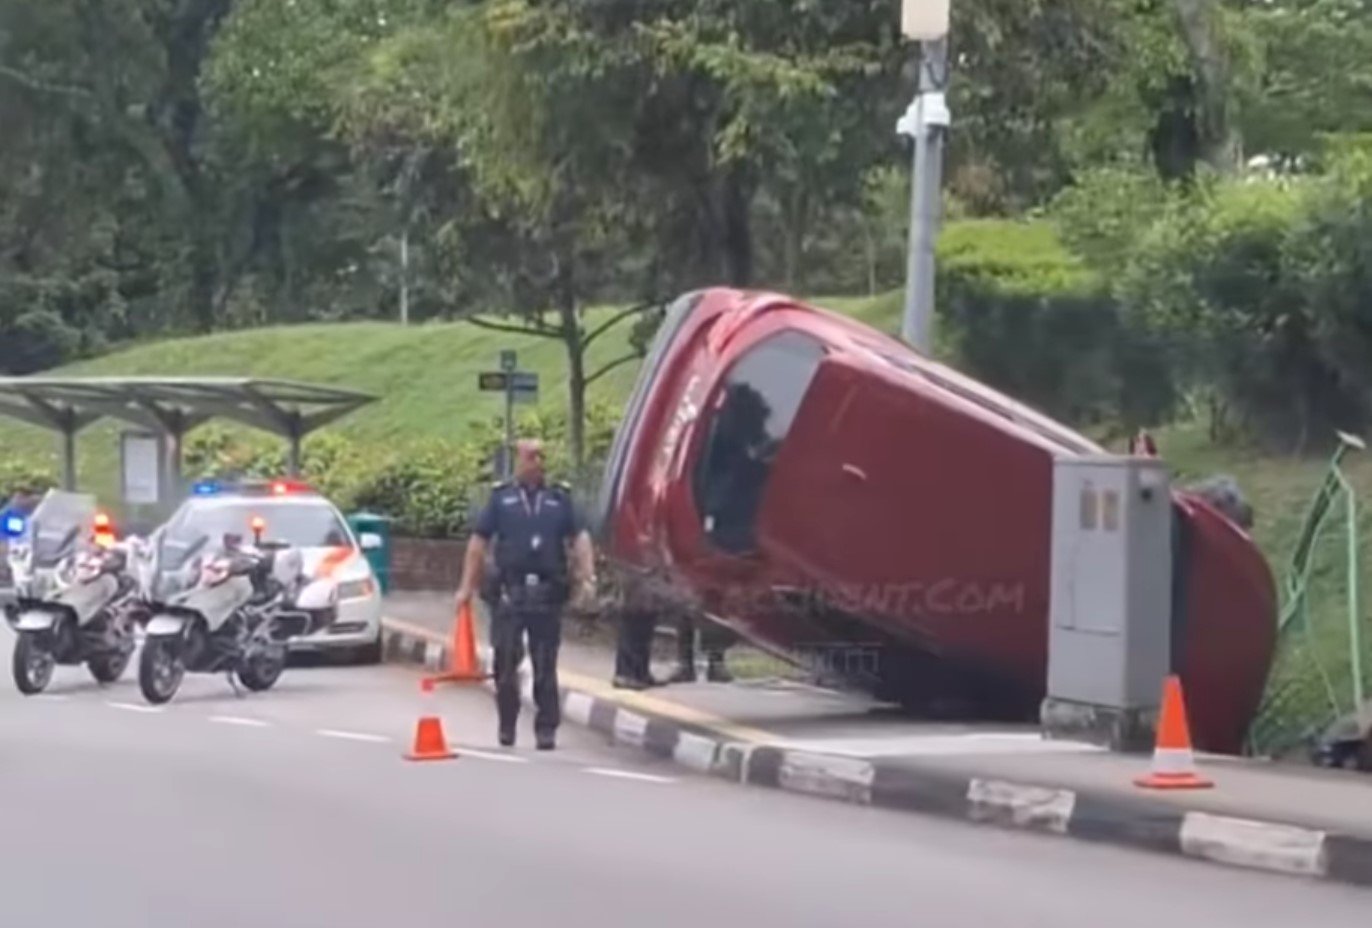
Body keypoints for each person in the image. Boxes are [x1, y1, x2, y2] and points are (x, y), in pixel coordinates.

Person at [454, 440, 596, 750]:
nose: (538, 462)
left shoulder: (559, 498)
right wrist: (466, 587)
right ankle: (507, 723)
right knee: (505, 663)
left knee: (545, 664)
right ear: (518, 462)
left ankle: (546, 729)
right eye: (531, 456)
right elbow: (478, 543)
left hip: (547, 592)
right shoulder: (501, 499)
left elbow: (580, 537)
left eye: (542, 456)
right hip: (509, 591)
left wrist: (587, 577)